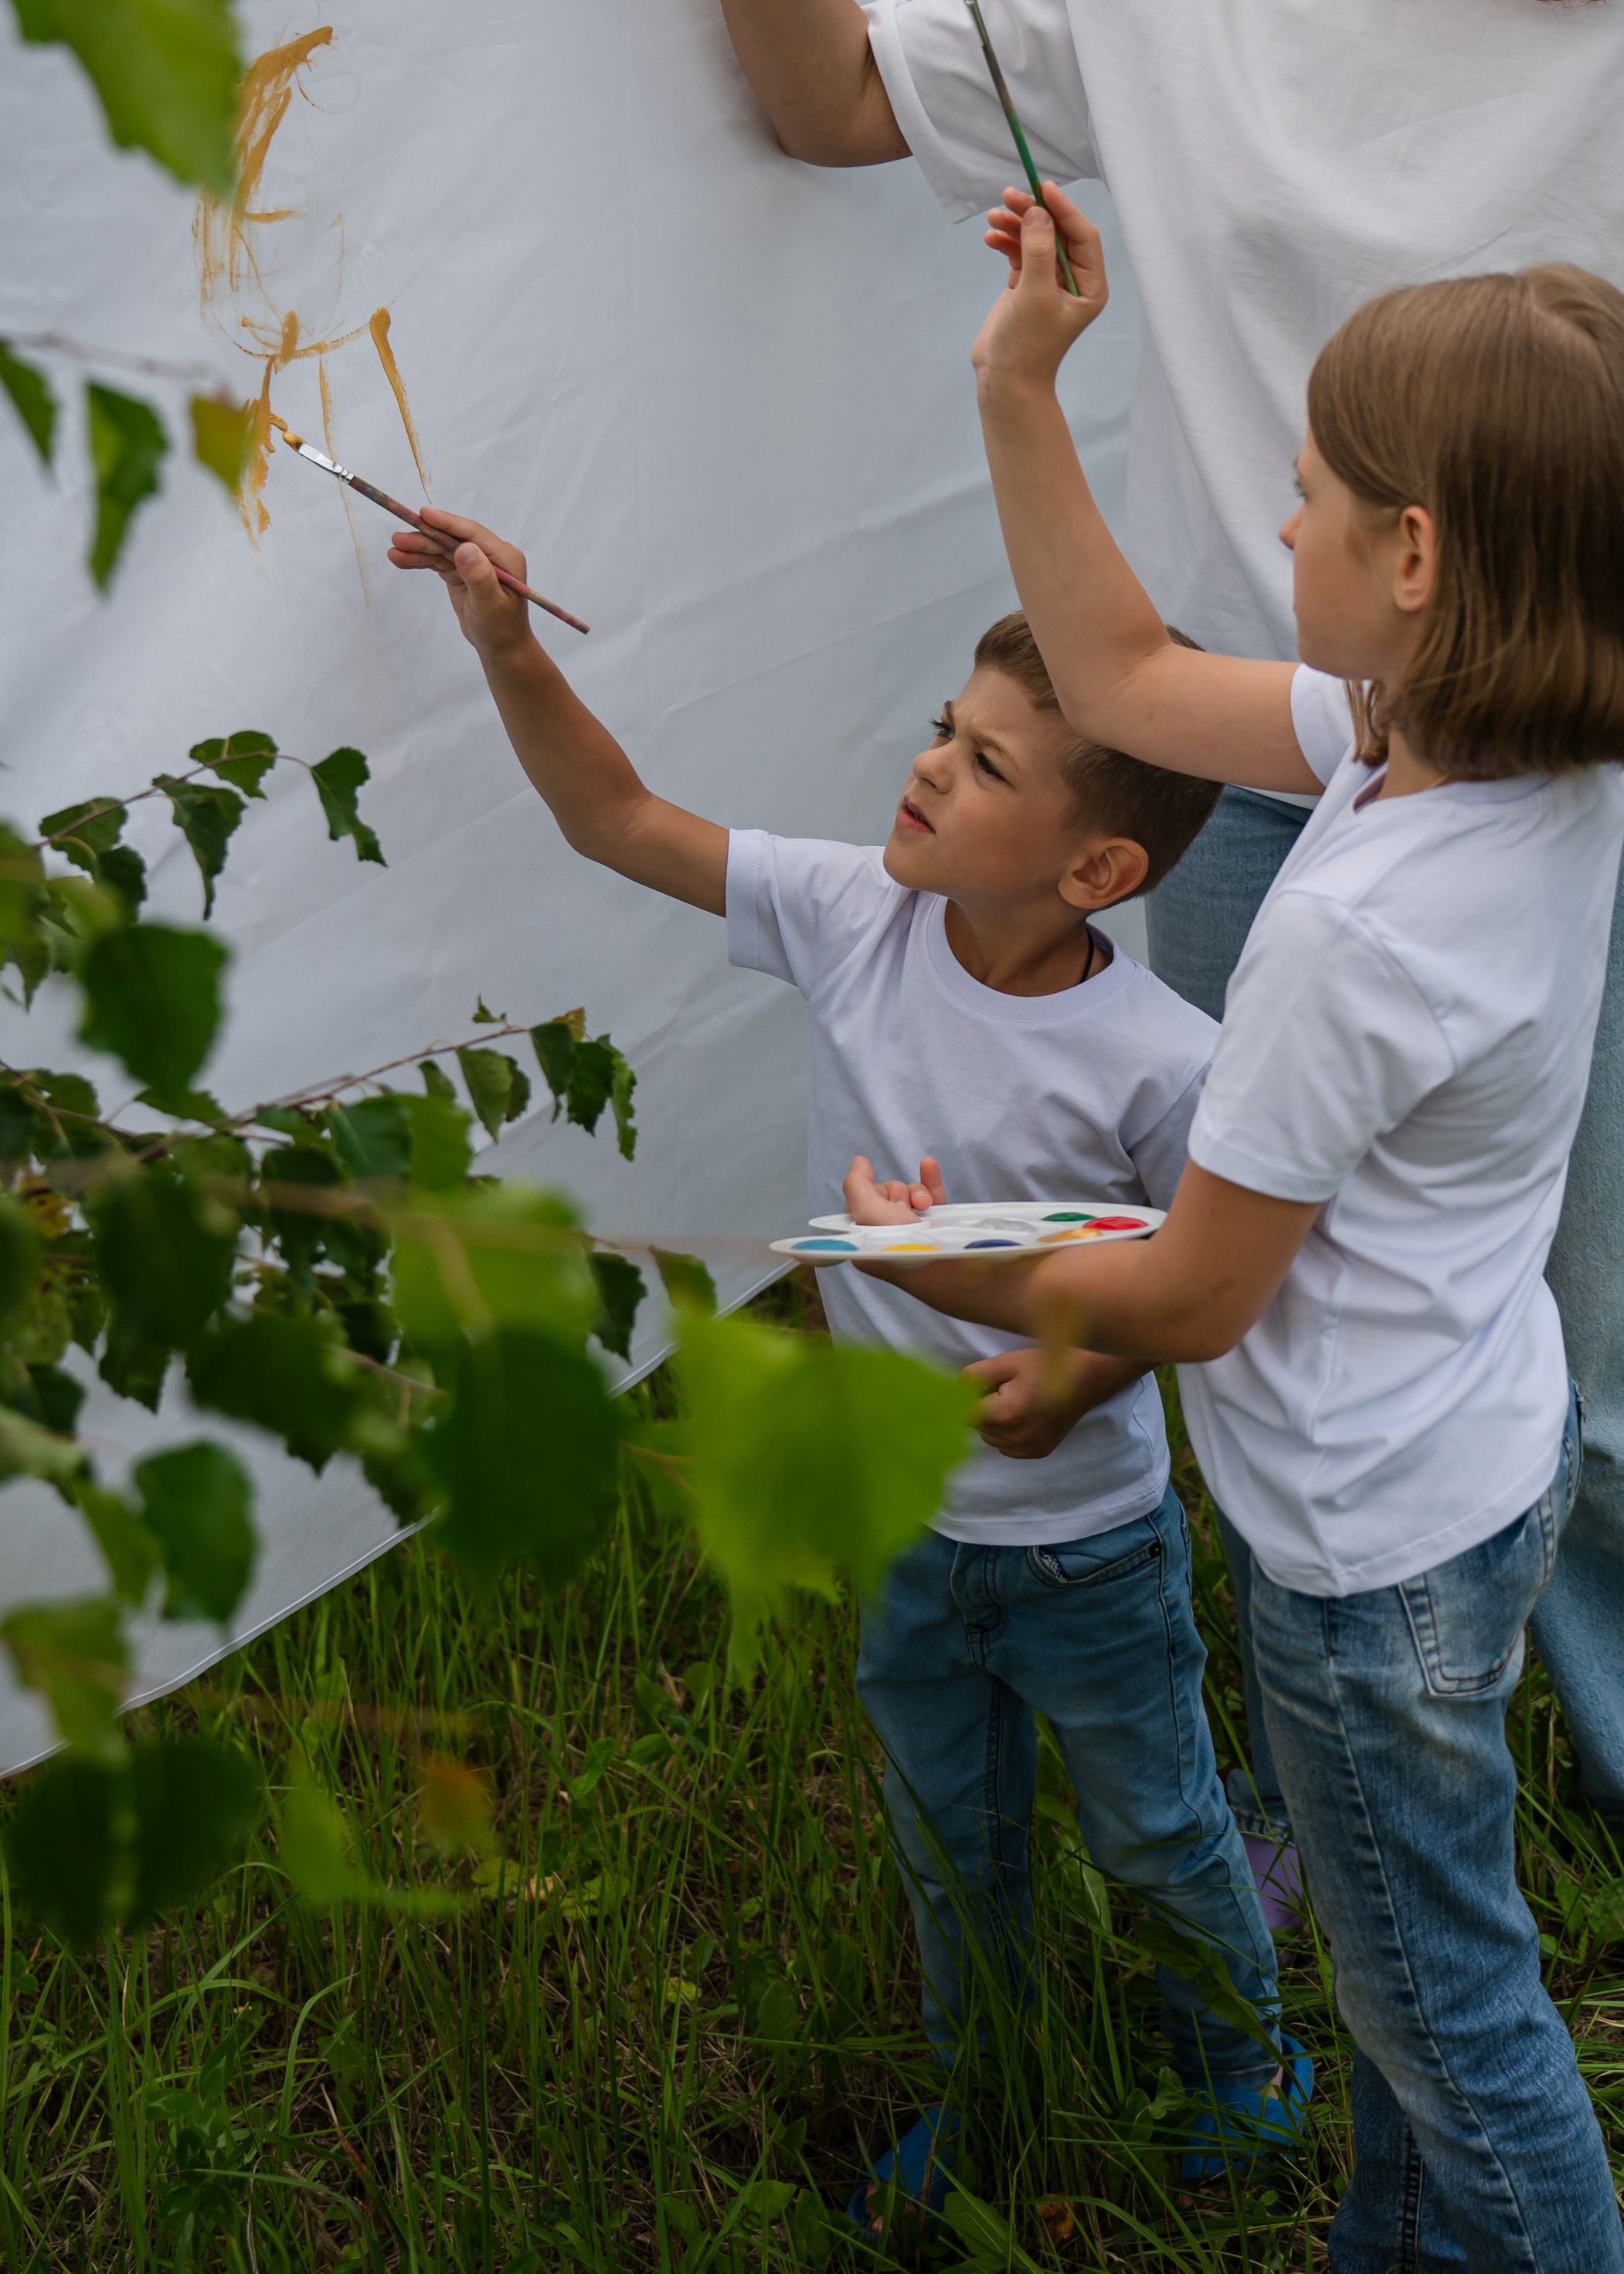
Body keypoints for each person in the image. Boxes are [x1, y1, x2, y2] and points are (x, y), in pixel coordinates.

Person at [520, 0, 1624, 1945]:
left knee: (1605, 1293)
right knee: (1253, 1312)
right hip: (1253, 765)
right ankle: (1327, 1763)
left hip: (1554, 777)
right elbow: (825, 105)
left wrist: (1576, 688)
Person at [858, 191, 1624, 2270]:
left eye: (1304, 498)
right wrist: (1022, 383)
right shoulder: (1493, 760)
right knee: (1399, 1992)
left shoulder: (1358, 925)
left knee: (1450, 2021)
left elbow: (1190, 1292)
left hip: (1367, 1565)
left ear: (1419, 558)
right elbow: (1114, 665)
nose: (1281, 534)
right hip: (1473, 1460)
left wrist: (939, 1259)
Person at [385, 518, 1299, 2218]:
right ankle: (989, 2090)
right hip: (896, 1525)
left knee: (1155, 1827)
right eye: (940, 728)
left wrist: (1073, 1389)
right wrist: (506, 641)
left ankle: (1237, 2068)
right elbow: (618, 820)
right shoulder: (852, 915)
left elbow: (1194, 1296)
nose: (928, 765)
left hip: (1084, 1544)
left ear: (1095, 869)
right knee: (951, 1849)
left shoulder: (1165, 1064)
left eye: (983, 760)